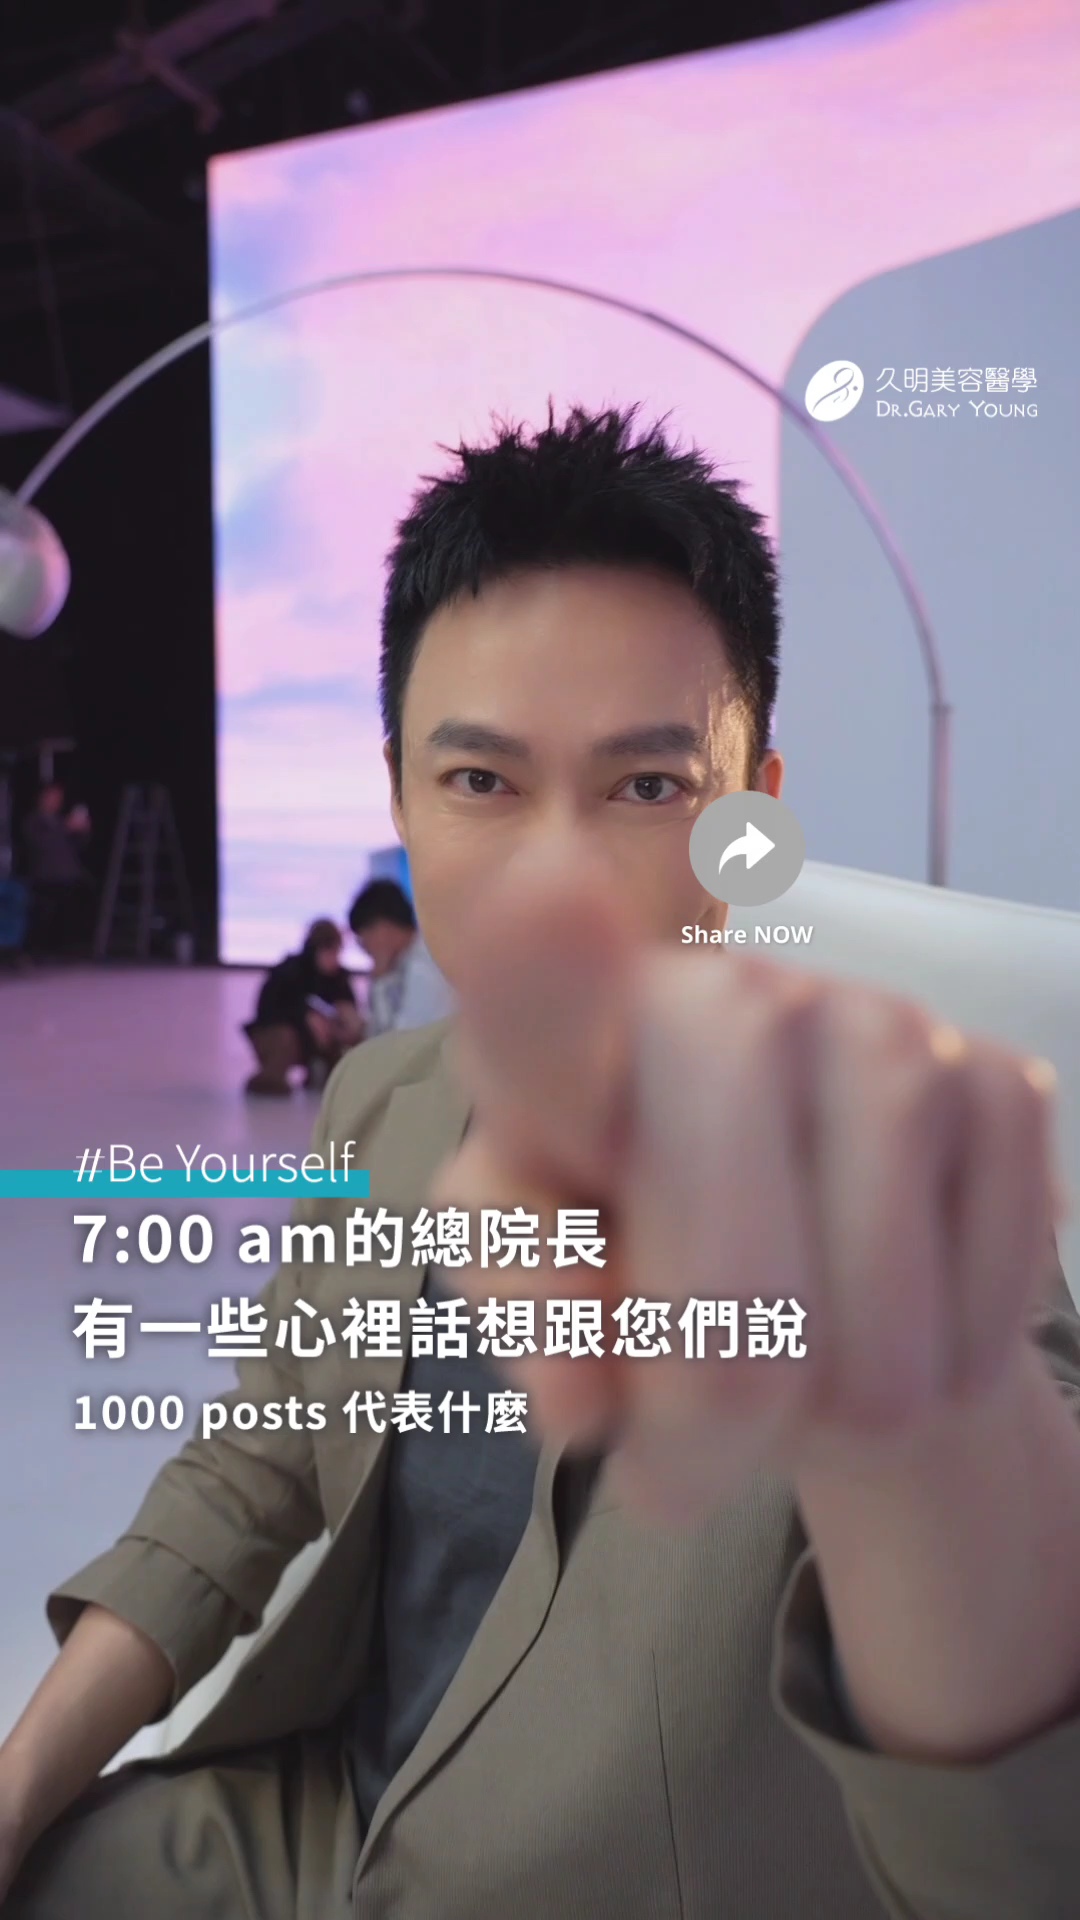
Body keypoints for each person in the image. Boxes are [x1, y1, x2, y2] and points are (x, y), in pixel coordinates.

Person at [3, 406, 1080, 1920]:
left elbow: (1029, 1838)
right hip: (318, 1829)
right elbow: (257, 1464)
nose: (556, 871)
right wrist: (18, 1788)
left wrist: (930, 1457)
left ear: (754, 817)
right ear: (399, 794)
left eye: (646, 788)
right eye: (481, 782)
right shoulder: (381, 1096)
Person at [243, 917, 362, 1095]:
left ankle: (329, 1073)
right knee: (284, 1037)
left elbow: (348, 1008)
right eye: (329, 951)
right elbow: (268, 1012)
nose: (334, 958)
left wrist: (344, 1022)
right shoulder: (289, 972)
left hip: (320, 1038)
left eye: (336, 952)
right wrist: (306, 1019)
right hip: (281, 1035)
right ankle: (271, 1078)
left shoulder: (339, 978)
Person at [348, 877, 455, 1036]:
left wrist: (380, 982)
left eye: (363, 940)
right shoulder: (406, 961)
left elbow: (397, 1042)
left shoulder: (424, 967)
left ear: (382, 928)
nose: (366, 950)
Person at [21, 784, 94, 959]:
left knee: (70, 915)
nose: (56, 802)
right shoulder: (34, 821)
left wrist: (83, 831)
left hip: (69, 875)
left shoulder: (61, 820)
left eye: (59, 798)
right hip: (46, 876)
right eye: (52, 797)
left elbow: (77, 847)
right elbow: (40, 844)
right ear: (42, 798)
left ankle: (67, 949)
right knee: (44, 915)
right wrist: (66, 828)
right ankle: (36, 951)